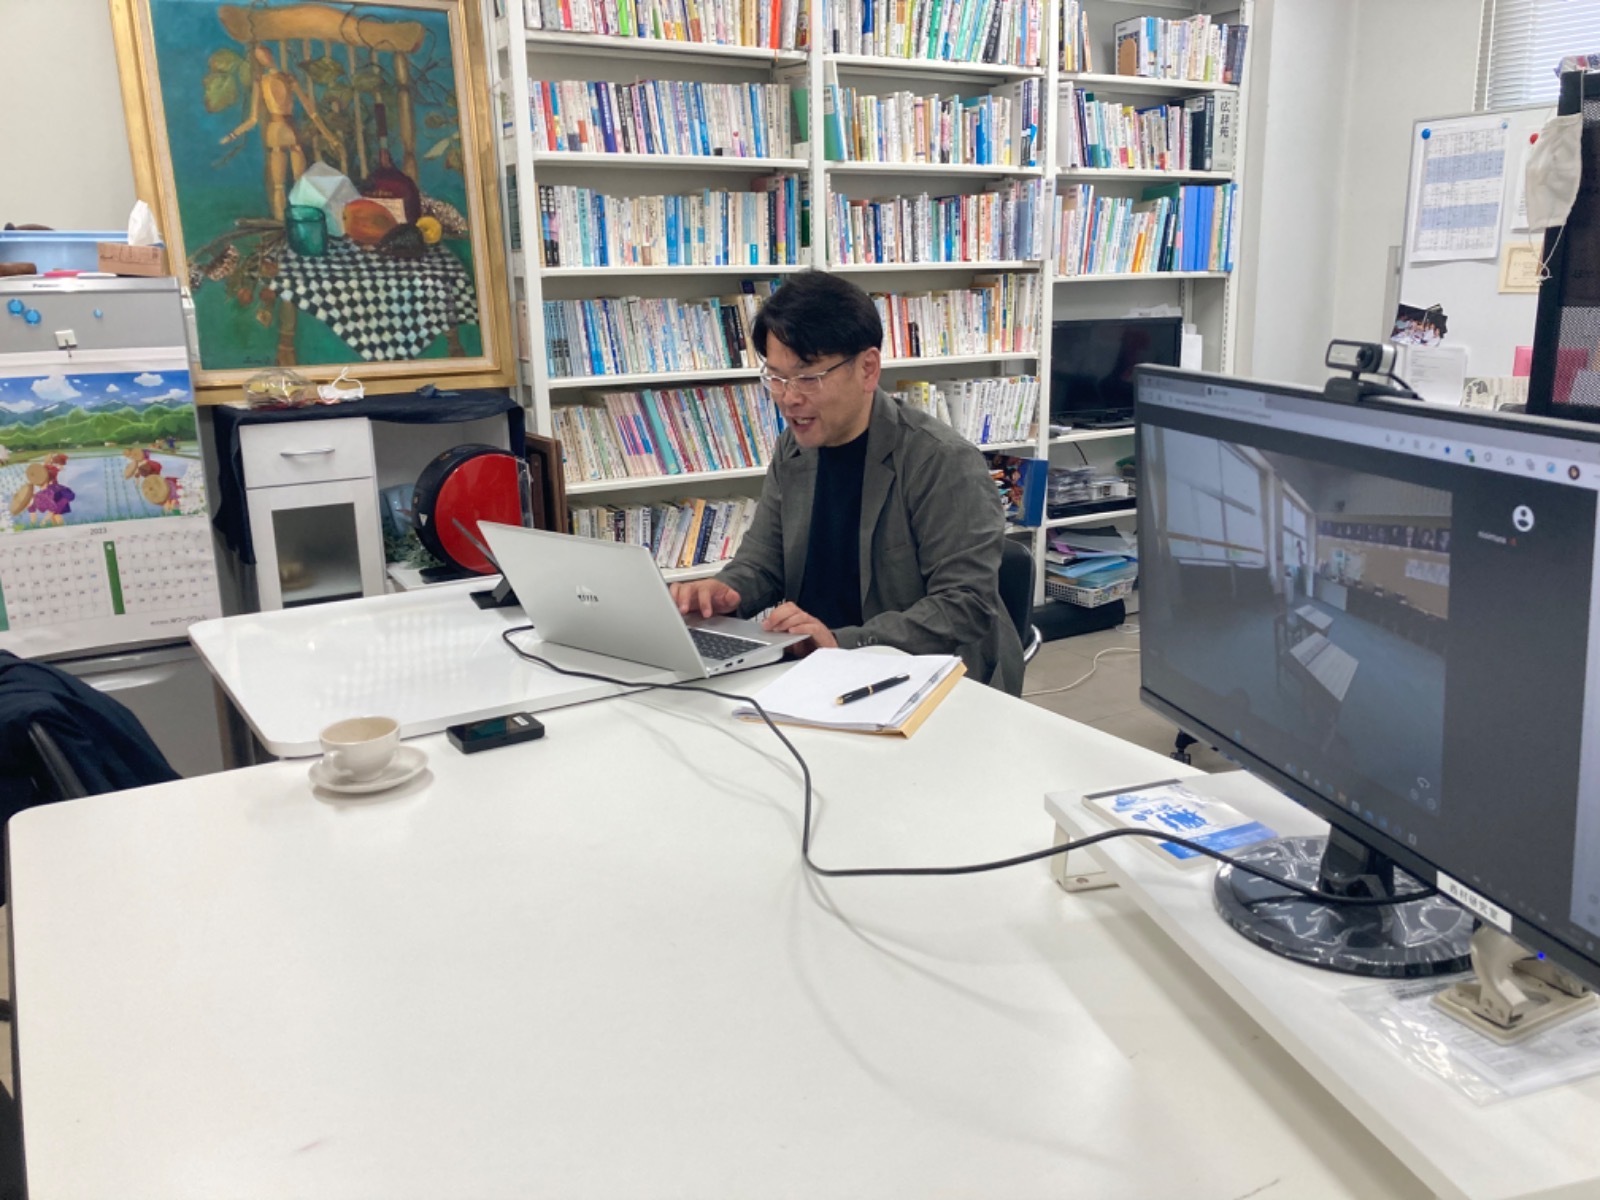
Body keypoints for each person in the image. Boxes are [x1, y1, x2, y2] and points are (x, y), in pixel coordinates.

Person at [669, 271, 1024, 692]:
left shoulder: (941, 460)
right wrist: (724, 592)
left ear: (868, 368)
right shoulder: (795, 448)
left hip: (923, 678)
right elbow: (763, 561)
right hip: (816, 667)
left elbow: (964, 606)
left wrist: (842, 643)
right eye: (776, 378)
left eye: (807, 377)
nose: (788, 397)